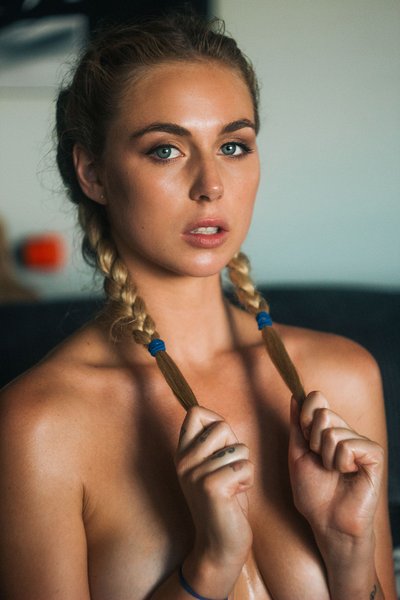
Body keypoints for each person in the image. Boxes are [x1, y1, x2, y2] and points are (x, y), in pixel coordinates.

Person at [0, 12, 396, 600]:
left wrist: (349, 552)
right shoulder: (38, 426)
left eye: (233, 146)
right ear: (92, 172)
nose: (211, 184)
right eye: (165, 150)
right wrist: (209, 564)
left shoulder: (345, 376)